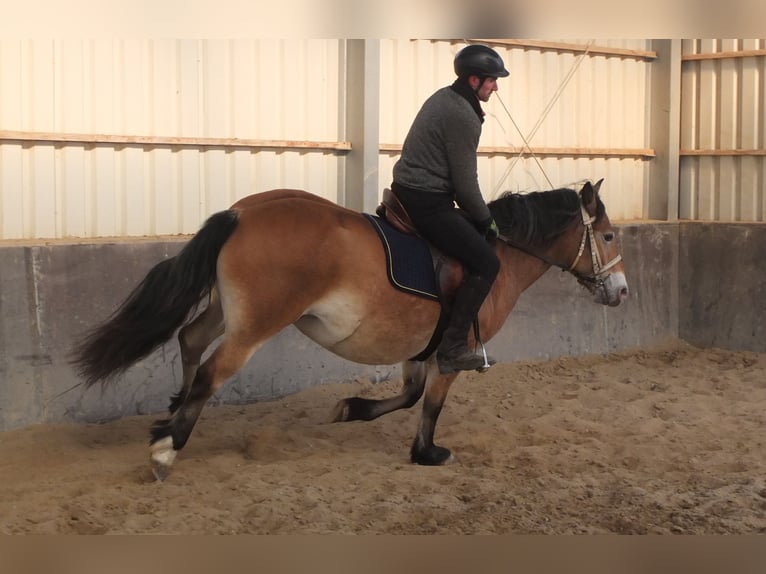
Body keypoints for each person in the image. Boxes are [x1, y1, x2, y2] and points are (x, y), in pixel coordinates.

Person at [391, 43, 509, 375]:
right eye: (492, 80)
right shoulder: (462, 115)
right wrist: (487, 220)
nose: (496, 86)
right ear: (474, 80)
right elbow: (465, 185)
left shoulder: (446, 96)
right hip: (426, 202)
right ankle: (454, 347)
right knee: (487, 261)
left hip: (410, 191)